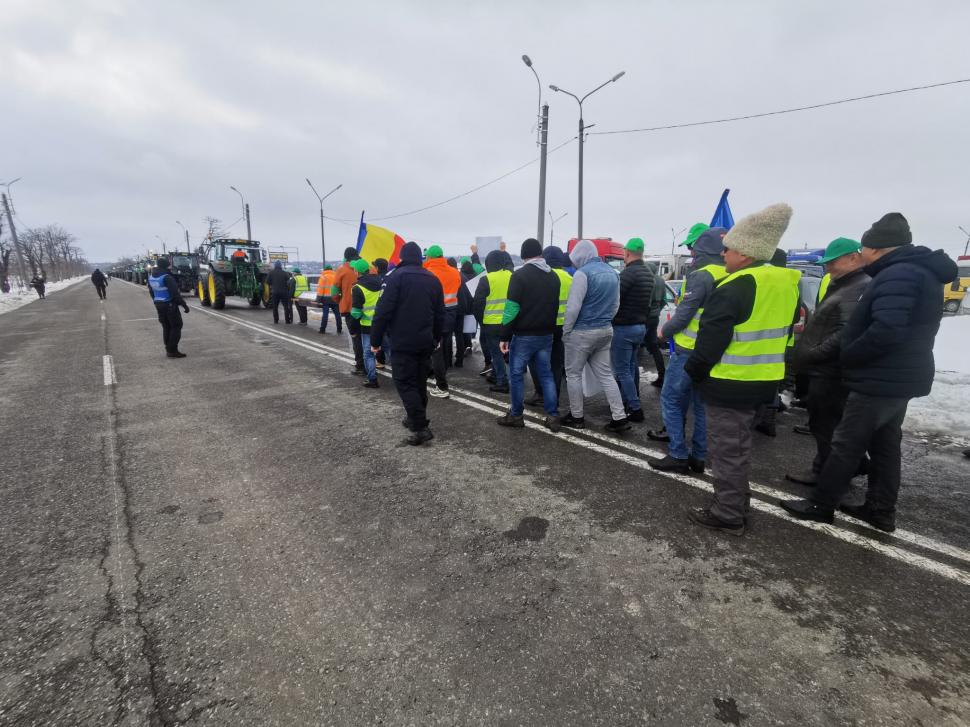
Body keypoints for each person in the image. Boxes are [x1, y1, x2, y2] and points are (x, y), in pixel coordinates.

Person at [780, 213, 957, 532]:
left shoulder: (898, 275)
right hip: (901, 374)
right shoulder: (918, 272)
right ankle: (880, 509)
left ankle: (821, 505)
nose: (861, 254)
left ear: (877, 248)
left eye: (864, 248)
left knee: (846, 443)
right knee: (885, 444)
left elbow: (886, 329)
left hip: (881, 376)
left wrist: (851, 354)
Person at [684, 203, 800, 535]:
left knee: (726, 451)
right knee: (739, 445)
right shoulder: (783, 282)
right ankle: (739, 501)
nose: (723, 255)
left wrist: (693, 371)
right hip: (763, 379)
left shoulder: (735, 285)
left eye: (729, 249)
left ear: (746, 253)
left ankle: (728, 513)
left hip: (730, 380)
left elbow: (710, 342)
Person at [784, 237, 870, 486]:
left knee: (826, 426)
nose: (828, 267)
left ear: (854, 258)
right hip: (825, 370)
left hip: (830, 372)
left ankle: (825, 472)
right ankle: (851, 464)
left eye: (833, 262)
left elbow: (847, 332)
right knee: (827, 424)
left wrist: (814, 353)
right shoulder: (845, 284)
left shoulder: (857, 287)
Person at [649, 228, 729, 472]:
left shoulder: (701, 275)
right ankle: (699, 456)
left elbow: (684, 314)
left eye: (693, 248)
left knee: (671, 398)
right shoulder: (729, 273)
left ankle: (678, 454)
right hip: (711, 351)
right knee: (700, 404)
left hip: (687, 351)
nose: (691, 253)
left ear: (703, 249)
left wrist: (663, 332)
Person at [370, 241, 444, 446]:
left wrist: (375, 341)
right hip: (425, 340)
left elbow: (382, 312)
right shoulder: (433, 279)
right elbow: (440, 314)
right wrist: (436, 337)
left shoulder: (394, 279)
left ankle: (420, 426)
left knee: (404, 382)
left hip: (403, 340)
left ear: (402, 258)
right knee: (419, 382)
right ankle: (415, 417)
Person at [560, 239, 630, 433]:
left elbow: (573, 308)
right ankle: (620, 417)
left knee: (573, 374)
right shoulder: (613, 273)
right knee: (607, 375)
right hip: (605, 330)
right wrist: (605, 320)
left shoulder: (582, 274)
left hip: (581, 333)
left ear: (581, 256)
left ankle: (577, 416)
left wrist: (566, 331)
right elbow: (616, 304)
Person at [496, 239, 561, 430]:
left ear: (524, 255)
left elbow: (511, 308)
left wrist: (504, 336)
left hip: (524, 335)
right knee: (546, 375)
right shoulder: (553, 276)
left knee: (516, 374)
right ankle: (553, 415)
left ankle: (516, 415)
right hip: (547, 334)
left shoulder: (520, 275)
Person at [611, 238, 655, 422]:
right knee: (630, 367)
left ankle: (635, 408)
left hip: (624, 327)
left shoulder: (628, 274)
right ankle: (629, 400)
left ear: (627, 253)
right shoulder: (648, 273)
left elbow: (615, 300)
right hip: (640, 327)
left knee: (621, 370)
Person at [523, 247, 572, 407]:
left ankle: (540, 393)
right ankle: (554, 396)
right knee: (556, 363)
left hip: (544, 325)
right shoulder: (570, 278)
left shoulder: (544, 275)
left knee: (535, 360)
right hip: (563, 327)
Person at [423, 245, 461, 398]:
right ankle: (440, 374)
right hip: (451, 313)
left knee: (436, 350)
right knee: (444, 346)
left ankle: (442, 386)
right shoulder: (454, 272)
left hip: (434, 315)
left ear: (430, 258)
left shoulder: (427, 273)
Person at [473, 250, 513, 391]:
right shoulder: (511, 275)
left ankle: (502, 381)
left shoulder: (486, 279)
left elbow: (477, 304)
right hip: (509, 322)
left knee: (496, 353)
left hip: (491, 323)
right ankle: (496, 374)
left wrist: (482, 321)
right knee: (507, 351)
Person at [147, 256, 190, 358]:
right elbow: (175, 294)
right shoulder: (167, 277)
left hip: (159, 304)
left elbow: (151, 292)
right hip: (169, 305)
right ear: (167, 266)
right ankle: (172, 350)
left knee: (166, 327)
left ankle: (168, 348)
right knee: (176, 326)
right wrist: (184, 305)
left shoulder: (151, 277)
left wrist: (156, 301)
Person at [350, 259, 383, 388]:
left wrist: (353, 330)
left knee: (368, 354)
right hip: (383, 323)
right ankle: (405, 376)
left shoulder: (357, 288)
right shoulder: (380, 282)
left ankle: (372, 379)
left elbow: (356, 313)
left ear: (357, 271)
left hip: (368, 326)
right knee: (389, 349)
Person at [332, 247, 365, 373]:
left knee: (355, 337)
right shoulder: (369, 268)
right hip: (368, 310)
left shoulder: (342, 270)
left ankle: (360, 365)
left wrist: (340, 300)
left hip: (350, 309)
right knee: (368, 337)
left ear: (345, 257)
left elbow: (334, 292)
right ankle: (372, 362)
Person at [641, 260, 667, 387]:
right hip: (654, 318)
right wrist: (656, 312)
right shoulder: (661, 281)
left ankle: (630, 380)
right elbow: (664, 300)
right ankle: (662, 375)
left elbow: (645, 302)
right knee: (654, 347)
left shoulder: (647, 280)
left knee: (633, 348)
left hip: (644, 318)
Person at [316, 265, 342, 334]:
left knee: (325, 314)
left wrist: (318, 300)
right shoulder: (336, 276)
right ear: (331, 269)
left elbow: (320, 289)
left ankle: (322, 329)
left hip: (326, 299)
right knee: (337, 314)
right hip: (335, 298)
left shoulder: (323, 277)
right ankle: (339, 329)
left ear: (325, 270)